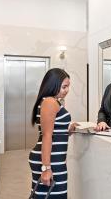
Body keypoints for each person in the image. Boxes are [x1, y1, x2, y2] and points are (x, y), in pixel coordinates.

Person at [28, 68, 77, 199]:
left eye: (68, 87)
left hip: (54, 160)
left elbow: (53, 130)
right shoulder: (49, 102)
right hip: (50, 161)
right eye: (64, 87)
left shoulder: (52, 101)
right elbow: (47, 135)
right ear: (53, 84)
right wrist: (46, 168)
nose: (67, 90)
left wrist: (68, 130)